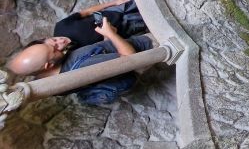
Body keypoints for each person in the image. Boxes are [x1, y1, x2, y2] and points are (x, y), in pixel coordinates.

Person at [5, 16, 154, 105]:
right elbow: (132, 59)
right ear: (48, 65)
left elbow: (102, 57)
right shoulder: (81, 67)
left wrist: (106, 39)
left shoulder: (49, 81)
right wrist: (110, 34)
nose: (60, 46)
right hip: (148, 47)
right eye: (54, 50)